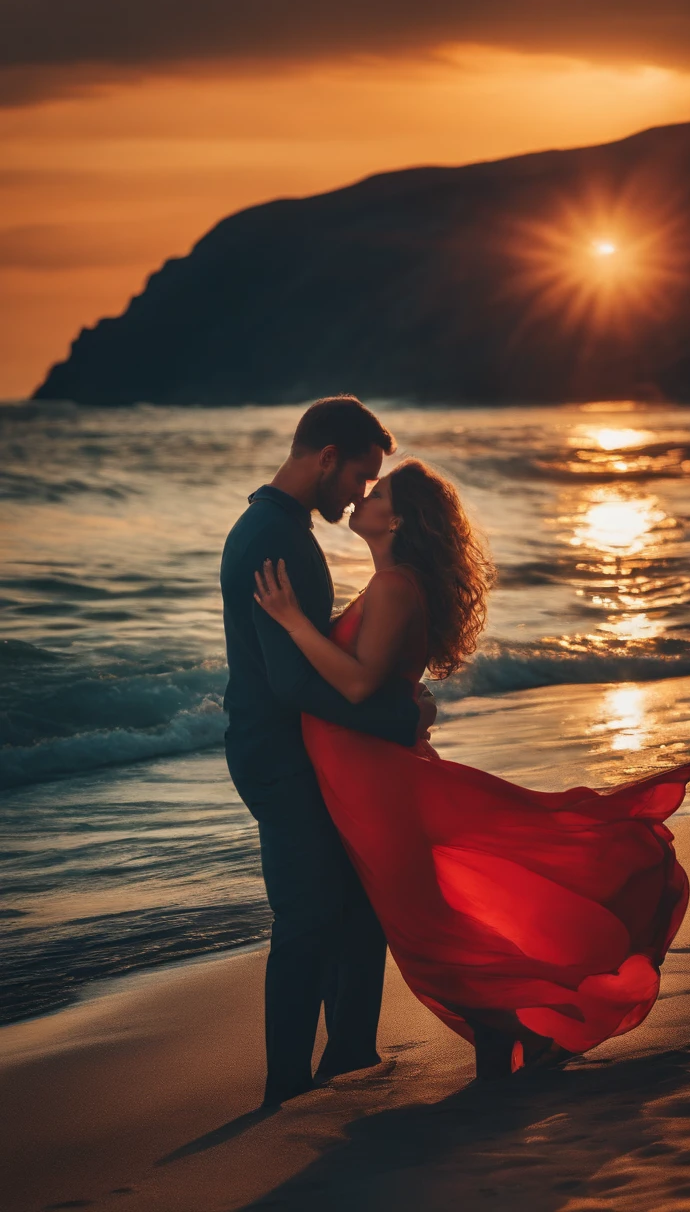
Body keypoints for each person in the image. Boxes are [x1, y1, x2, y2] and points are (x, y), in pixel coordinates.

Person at [253, 457, 690, 1079]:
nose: (361, 498)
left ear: (398, 518)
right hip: (364, 773)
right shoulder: (390, 585)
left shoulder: (394, 587)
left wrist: (292, 621)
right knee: (424, 922)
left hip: (374, 781)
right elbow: (379, 682)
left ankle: (509, 1031)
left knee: (422, 928)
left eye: (375, 491)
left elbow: (355, 686)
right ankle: (500, 1037)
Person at [221, 396, 436, 1108]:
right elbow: (289, 683)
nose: (359, 495)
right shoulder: (274, 539)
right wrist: (392, 716)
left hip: (291, 747)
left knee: (351, 901)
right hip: (278, 753)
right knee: (309, 915)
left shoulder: (276, 529)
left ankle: (347, 1054)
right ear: (325, 459)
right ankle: (285, 1083)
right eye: (357, 478)